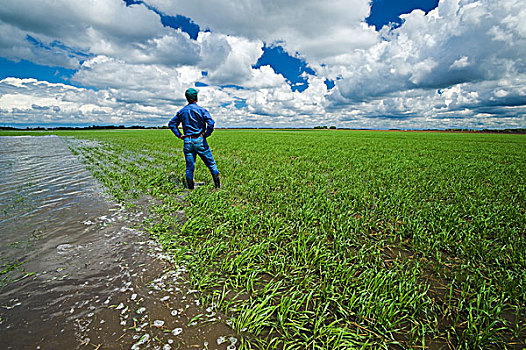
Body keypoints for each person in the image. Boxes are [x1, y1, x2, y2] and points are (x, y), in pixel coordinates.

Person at [168, 88, 220, 189]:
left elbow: (171, 124)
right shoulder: (201, 110)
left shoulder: (182, 111)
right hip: (200, 140)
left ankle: (190, 189)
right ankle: (217, 187)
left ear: (187, 98)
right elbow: (211, 123)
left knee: (189, 167)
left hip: (187, 141)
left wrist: (179, 135)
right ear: (196, 97)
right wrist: (206, 134)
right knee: (211, 164)